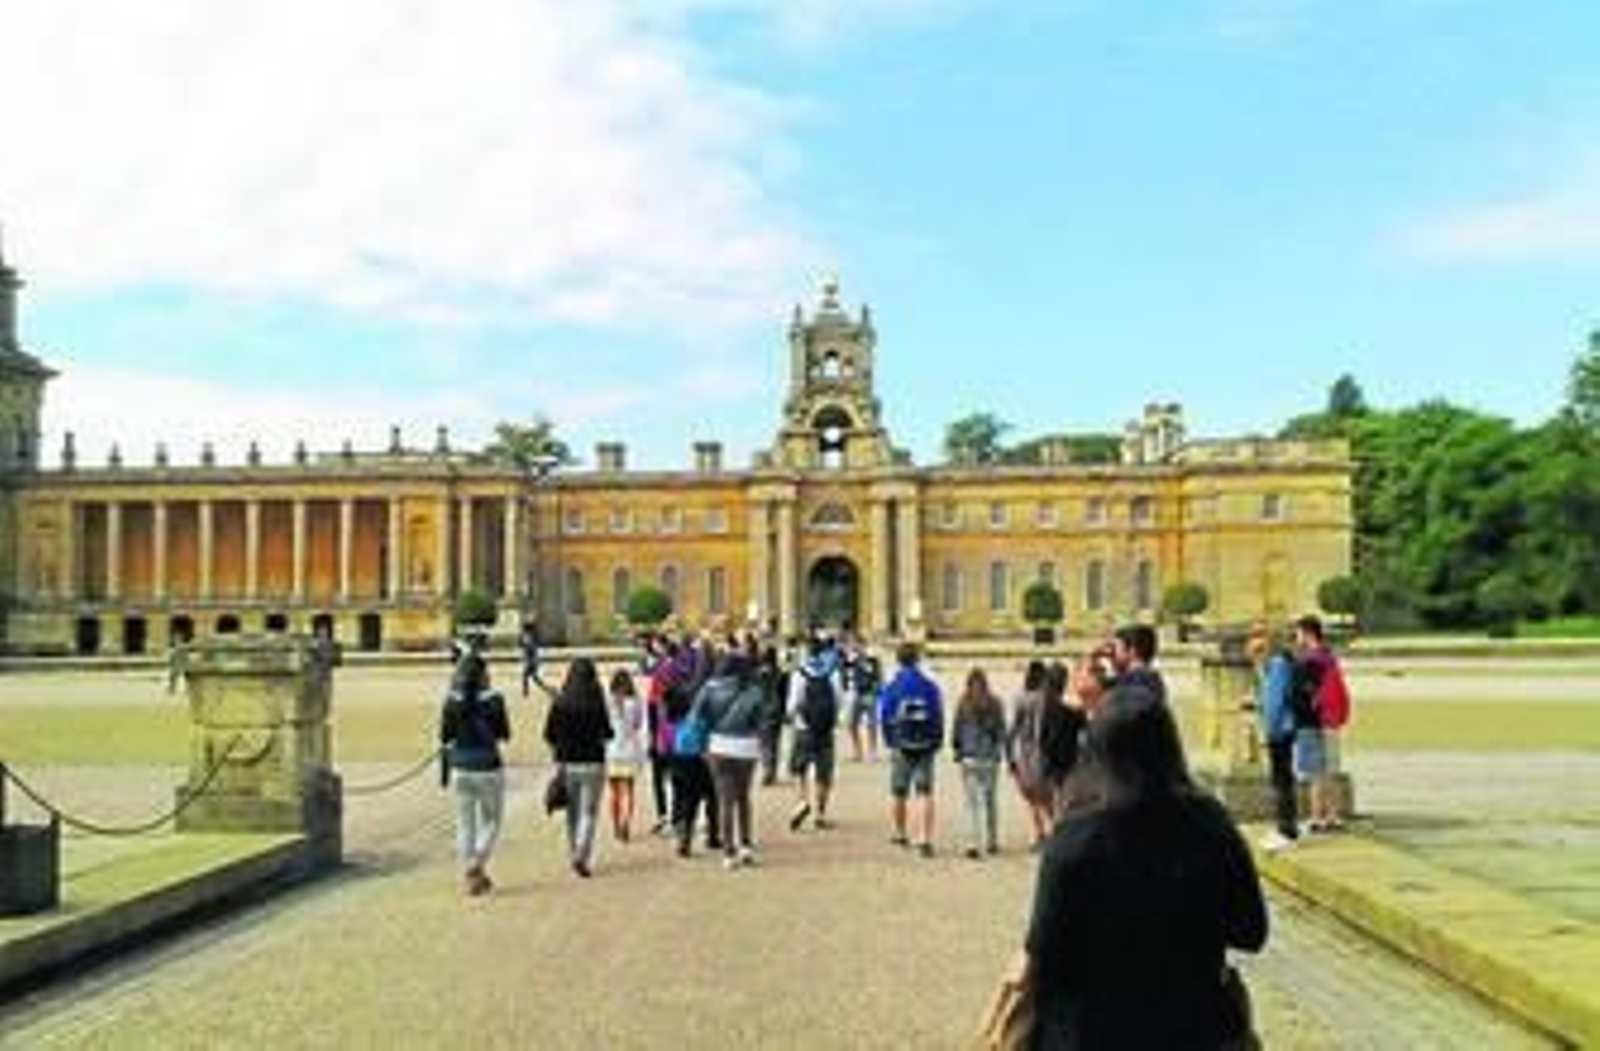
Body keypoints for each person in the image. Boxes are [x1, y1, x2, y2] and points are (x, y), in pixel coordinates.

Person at [1024, 686, 1269, 1048]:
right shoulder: (1209, 825)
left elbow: (1045, 951)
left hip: (1092, 1033)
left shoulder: (1075, 840)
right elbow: (1251, 932)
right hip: (1193, 1028)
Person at [438, 652, 511, 896]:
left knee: (464, 823)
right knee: (491, 820)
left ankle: (471, 868)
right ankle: (476, 865)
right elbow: (504, 734)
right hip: (488, 766)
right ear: (483, 675)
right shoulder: (495, 700)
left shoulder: (452, 700)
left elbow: (445, 736)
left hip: (460, 767)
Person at [693, 649, 766, 870]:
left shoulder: (710, 688)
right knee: (743, 798)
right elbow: (760, 721)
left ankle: (728, 853)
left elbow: (697, 718)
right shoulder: (754, 690)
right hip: (746, 747)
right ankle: (746, 846)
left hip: (718, 745)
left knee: (725, 801)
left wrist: (702, 745)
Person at [543, 657, 613, 878]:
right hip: (593, 762)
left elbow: (549, 734)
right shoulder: (596, 701)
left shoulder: (561, 702)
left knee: (572, 813)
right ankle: (581, 854)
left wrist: (559, 748)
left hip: (567, 763)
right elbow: (607, 732)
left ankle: (574, 850)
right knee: (589, 812)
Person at [877, 641, 945, 857]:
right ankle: (925, 838)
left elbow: (885, 715)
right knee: (925, 792)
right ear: (917, 660)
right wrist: (937, 740)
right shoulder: (930, 685)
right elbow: (937, 715)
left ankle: (900, 833)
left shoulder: (893, 685)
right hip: (925, 742)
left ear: (898, 660)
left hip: (901, 742)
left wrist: (889, 739)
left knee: (899, 792)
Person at [1295, 614, 1350, 833]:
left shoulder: (1310, 661)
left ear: (1308, 634)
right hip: (1331, 719)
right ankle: (1333, 816)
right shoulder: (1329, 658)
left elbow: (1303, 696)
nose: (1297, 638)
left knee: (1315, 773)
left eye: (1299, 633)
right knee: (1331, 770)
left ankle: (1316, 817)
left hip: (1315, 721)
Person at [1251, 628, 1301, 852]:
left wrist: (1268, 732)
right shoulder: (1272, 665)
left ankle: (1286, 829)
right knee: (1282, 778)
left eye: (1259, 641)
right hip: (1282, 728)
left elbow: (1274, 702)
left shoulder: (1278, 664)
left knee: (1282, 779)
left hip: (1279, 730)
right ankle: (1285, 827)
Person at [785, 635, 841, 831]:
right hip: (825, 729)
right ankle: (820, 814)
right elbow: (839, 701)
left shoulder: (799, 673)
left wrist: (793, 719)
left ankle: (802, 801)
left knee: (799, 769)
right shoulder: (832, 673)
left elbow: (792, 705)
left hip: (804, 728)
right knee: (823, 773)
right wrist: (832, 719)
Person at [952, 666, 1007, 858]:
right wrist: (1000, 751)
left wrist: (957, 749)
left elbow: (957, 729)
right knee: (990, 800)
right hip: (989, 756)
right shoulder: (995, 702)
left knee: (971, 803)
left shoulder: (963, 702)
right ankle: (992, 841)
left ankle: (973, 843)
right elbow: (1001, 730)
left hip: (969, 756)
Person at [1007, 660, 1054, 847]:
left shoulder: (1020, 698)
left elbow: (1013, 730)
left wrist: (1010, 756)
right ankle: (1054, 830)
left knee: (1032, 799)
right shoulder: (1046, 698)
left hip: (1025, 753)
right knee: (1048, 799)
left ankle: (1038, 834)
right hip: (1043, 752)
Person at [605, 668, 648, 843]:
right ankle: (625, 824)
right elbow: (638, 725)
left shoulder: (608, 701)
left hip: (611, 750)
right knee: (629, 791)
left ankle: (616, 826)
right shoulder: (635, 701)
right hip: (630, 749)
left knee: (614, 793)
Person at [519, 621, 544, 697]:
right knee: (534, 677)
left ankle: (525, 691)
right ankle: (526, 690)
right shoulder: (530, 637)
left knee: (526, 676)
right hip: (532, 660)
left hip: (531, 661)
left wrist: (530, 662)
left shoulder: (528, 638)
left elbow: (529, 649)